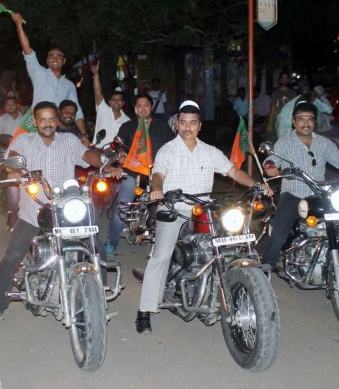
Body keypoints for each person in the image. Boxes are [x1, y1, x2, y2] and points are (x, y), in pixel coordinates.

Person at [0, 101, 122, 327]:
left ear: (57, 121)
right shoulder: (25, 140)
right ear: (35, 122)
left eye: (51, 119)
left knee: (97, 247)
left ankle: (100, 299)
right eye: (42, 119)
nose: (47, 123)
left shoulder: (68, 141)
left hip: (66, 209)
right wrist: (15, 169)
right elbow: (13, 157)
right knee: (10, 258)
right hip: (34, 210)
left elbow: (87, 156)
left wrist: (104, 166)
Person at [134, 101, 271, 334]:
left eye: (193, 123)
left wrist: (256, 183)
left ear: (200, 126)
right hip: (175, 210)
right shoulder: (168, 150)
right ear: (177, 124)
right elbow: (158, 174)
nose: (188, 127)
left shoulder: (210, 152)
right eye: (183, 122)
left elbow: (233, 171)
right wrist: (157, 188)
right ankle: (144, 311)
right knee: (161, 256)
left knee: (235, 240)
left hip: (204, 211)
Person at [261, 101, 339, 270]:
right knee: (280, 233)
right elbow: (273, 159)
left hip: (319, 195)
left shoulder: (324, 143)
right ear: (294, 122)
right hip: (294, 195)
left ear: (315, 122)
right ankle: (265, 270)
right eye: (301, 119)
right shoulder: (285, 142)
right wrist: (270, 166)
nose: (306, 123)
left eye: (310, 119)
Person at [107, 93, 176, 257]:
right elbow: (120, 144)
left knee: (171, 207)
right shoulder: (128, 126)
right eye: (139, 106)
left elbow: (173, 145)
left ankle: (168, 245)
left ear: (151, 107)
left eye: (146, 105)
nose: (143, 109)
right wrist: (122, 152)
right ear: (135, 108)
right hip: (133, 172)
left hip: (158, 173)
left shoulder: (161, 126)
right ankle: (111, 241)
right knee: (122, 209)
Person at [10, 12, 91, 146]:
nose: (55, 58)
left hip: (59, 130)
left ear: (64, 61)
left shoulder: (69, 85)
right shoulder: (39, 73)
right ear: (47, 60)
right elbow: (28, 51)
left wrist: (83, 135)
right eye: (51, 56)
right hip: (36, 126)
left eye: (59, 56)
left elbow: (76, 111)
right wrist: (19, 25)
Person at [0, 97, 24, 229]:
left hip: (24, 153)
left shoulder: (27, 121)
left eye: (13, 104)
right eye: (7, 104)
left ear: (18, 105)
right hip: (4, 150)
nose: (10, 106)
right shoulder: (0, 120)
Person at [90, 60, 129, 148]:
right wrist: (96, 75)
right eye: (114, 99)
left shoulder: (127, 120)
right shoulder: (103, 110)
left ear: (123, 103)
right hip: (97, 151)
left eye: (119, 100)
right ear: (110, 102)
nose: (116, 101)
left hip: (115, 155)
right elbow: (98, 93)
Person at [267, 71, 297, 139]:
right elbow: (273, 108)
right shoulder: (276, 93)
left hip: (291, 120)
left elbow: (296, 108)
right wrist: (270, 123)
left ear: (289, 80)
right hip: (280, 121)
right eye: (283, 78)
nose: (285, 80)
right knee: (281, 140)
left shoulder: (293, 93)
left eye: (286, 78)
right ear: (280, 80)